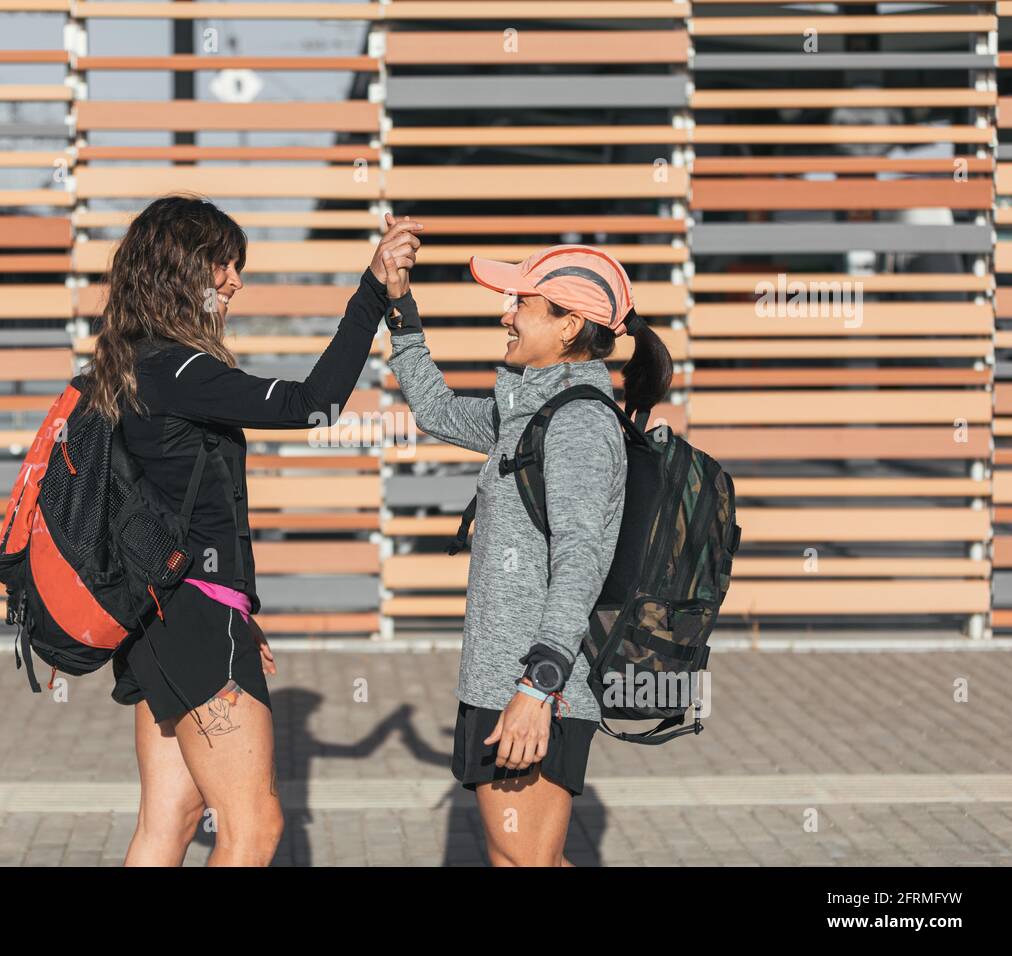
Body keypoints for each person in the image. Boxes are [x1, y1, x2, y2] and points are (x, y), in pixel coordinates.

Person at [84, 195, 422, 866]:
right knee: (254, 827)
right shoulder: (182, 370)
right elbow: (313, 404)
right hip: (197, 620)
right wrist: (373, 293)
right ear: (181, 270)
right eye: (223, 267)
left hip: (156, 620)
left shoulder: (130, 365)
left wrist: (237, 609)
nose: (234, 282)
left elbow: (170, 509)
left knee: (169, 822)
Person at [382, 243, 673, 866]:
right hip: (502, 676)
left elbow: (581, 567)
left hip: (537, 684)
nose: (506, 315)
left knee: (523, 862)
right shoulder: (527, 414)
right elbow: (434, 409)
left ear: (569, 325)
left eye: (522, 303)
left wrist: (537, 690)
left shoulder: (577, 426)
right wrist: (399, 306)